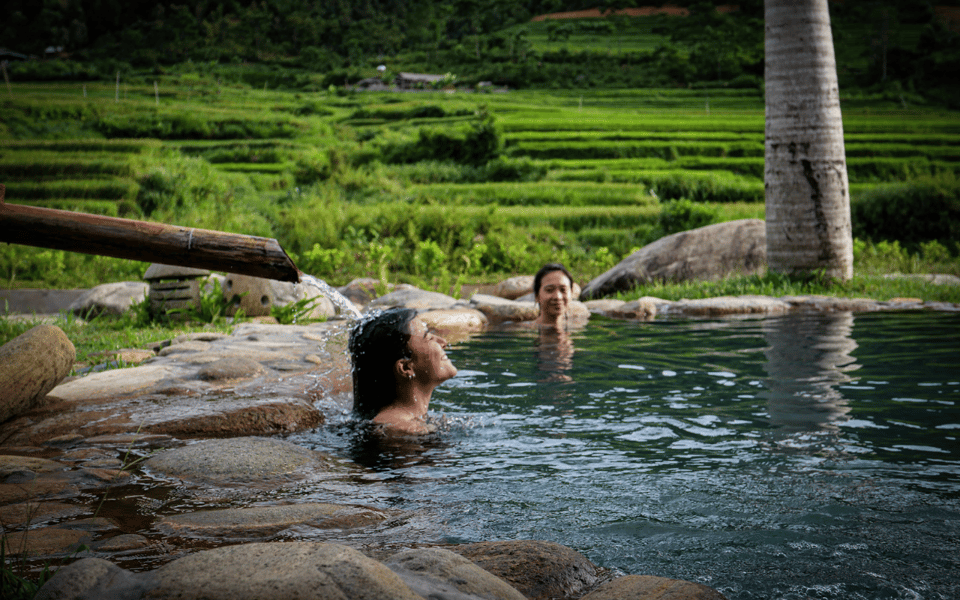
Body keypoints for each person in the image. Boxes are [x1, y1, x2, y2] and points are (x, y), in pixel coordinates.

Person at [348, 307, 457, 435]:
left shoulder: (395, 423)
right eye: (428, 337)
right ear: (406, 368)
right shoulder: (402, 430)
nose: (443, 342)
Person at [532, 262, 574, 328]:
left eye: (563, 290)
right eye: (549, 290)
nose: (557, 297)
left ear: (571, 294)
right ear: (537, 296)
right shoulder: (524, 331)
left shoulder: (576, 327)